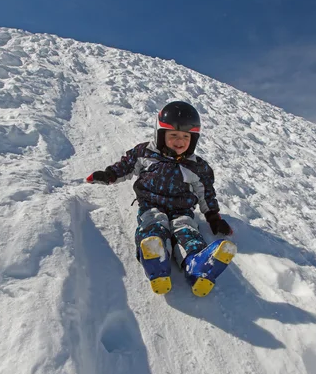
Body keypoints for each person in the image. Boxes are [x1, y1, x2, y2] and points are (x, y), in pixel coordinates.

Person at [86, 101, 236, 296]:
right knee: (154, 224)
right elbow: (125, 166)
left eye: (185, 137)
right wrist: (108, 175)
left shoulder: (198, 167)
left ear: (194, 139)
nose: (179, 141)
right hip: (151, 204)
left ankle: (197, 264)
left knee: (187, 230)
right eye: (173, 135)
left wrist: (213, 217)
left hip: (182, 209)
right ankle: (156, 257)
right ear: (160, 134)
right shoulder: (145, 153)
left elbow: (205, 193)